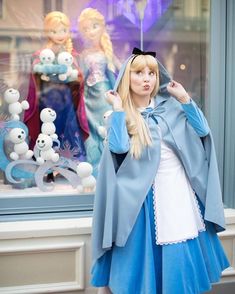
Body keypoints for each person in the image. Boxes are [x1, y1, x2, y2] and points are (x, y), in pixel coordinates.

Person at [90, 48, 229, 294]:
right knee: (146, 266)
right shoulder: (119, 115)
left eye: (152, 73)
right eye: (139, 73)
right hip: (143, 202)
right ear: (126, 78)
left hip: (178, 194)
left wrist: (185, 99)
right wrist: (120, 110)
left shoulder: (171, 108)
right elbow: (119, 148)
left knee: (179, 264)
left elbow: (203, 132)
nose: (147, 79)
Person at [24, 11, 89, 163]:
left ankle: (69, 162)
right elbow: (35, 74)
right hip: (47, 97)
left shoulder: (71, 54)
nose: (59, 35)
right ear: (48, 32)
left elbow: (78, 76)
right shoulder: (42, 54)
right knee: (47, 127)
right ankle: (47, 164)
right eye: (54, 31)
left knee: (67, 127)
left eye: (63, 30)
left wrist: (73, 76)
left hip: (65, 97)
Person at [78, 8, 120, 175]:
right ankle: (93, 166)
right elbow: (80, 76)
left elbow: (118, 69)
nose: (90, 32)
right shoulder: (84, 54)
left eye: (94, 26)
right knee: (91, 131)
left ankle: (109, 165)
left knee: (105, 127)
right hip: (88, 97)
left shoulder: (107, 52)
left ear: (102, 28)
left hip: (103, 94)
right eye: (86, 29)